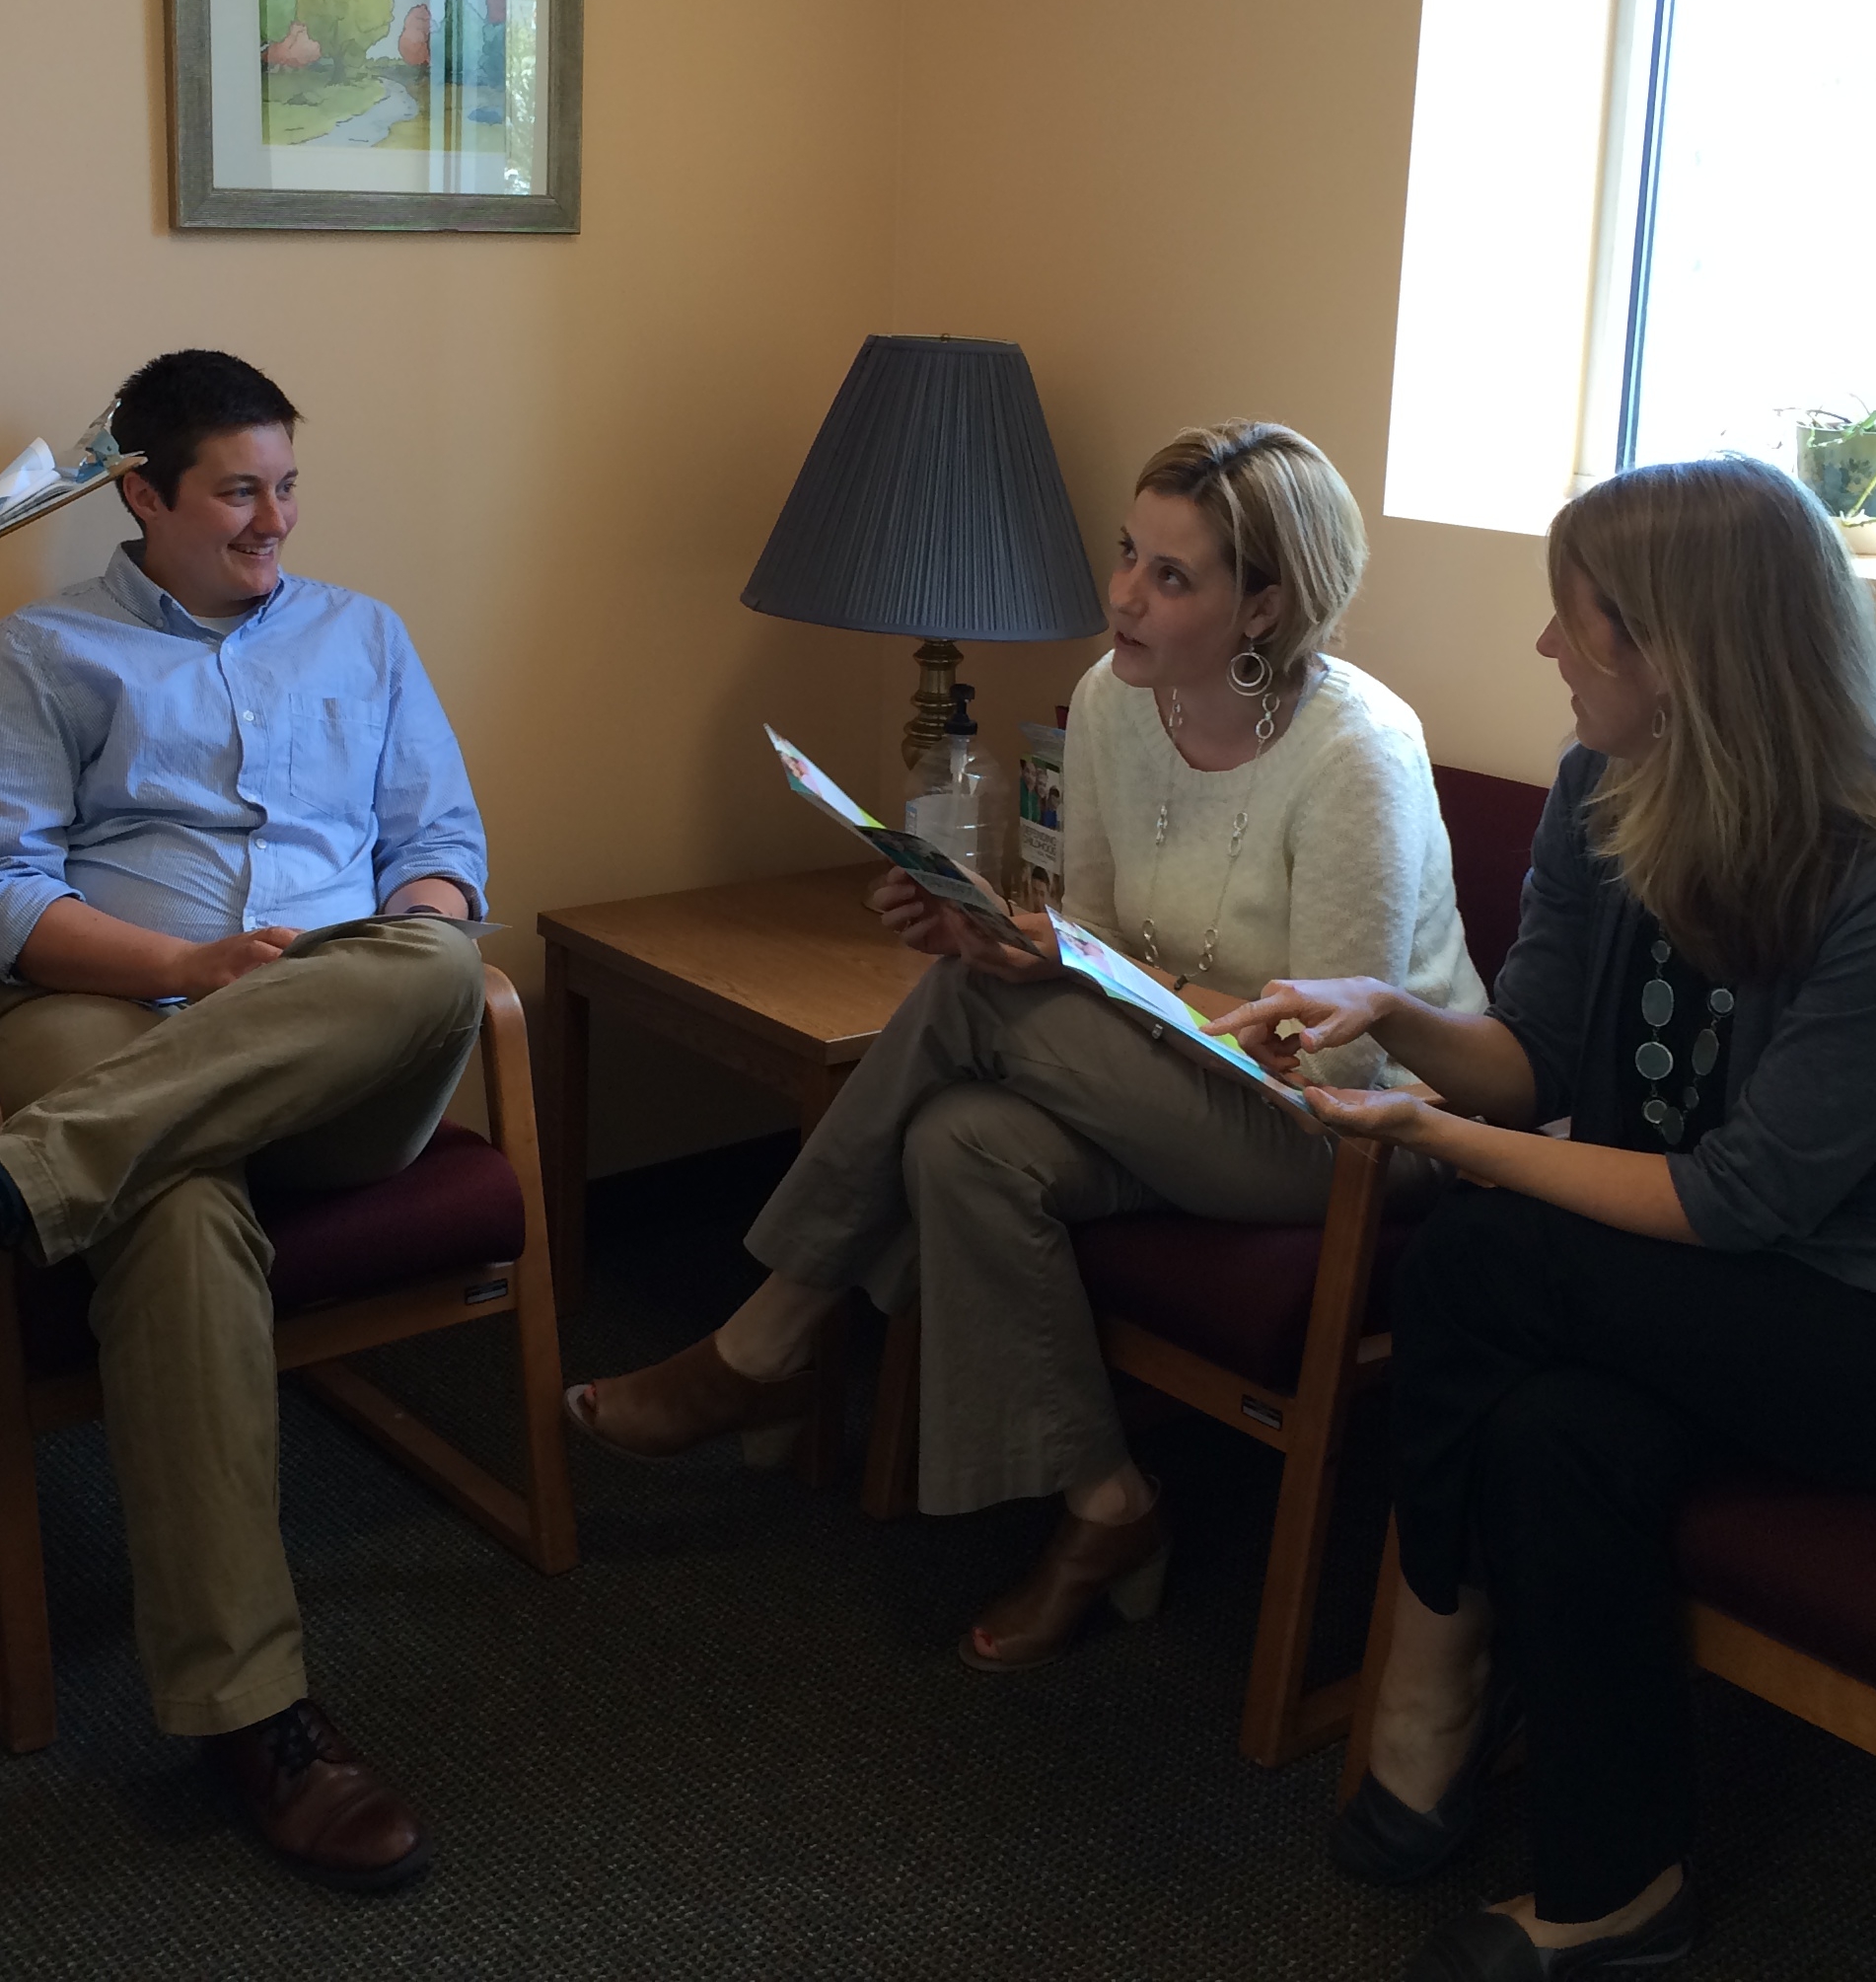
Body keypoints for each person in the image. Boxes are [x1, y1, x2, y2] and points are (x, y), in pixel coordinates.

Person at [1204, 455, 1876, 1981]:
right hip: (1759, 1295)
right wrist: (1393, 1016)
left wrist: (1445, 1143)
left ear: (1681, 654)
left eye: (1578, 625)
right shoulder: (1602, 792)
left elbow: (1742, 1194)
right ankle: (1615, 1892)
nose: (1549, 653)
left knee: (1485, 1252)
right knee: (1551, 1429)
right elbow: (1544, 1060)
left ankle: (1429, 1675)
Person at [568, 421, 1482, 1670]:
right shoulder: (1113, 699)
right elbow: (1098, 939)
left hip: (1346, 1133)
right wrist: (998, 939)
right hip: (1182, 1085)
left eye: (1174, 577)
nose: (1123, 595)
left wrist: (1065, 968)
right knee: (962, 1139)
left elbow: (1331, 1058)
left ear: (1264, 603)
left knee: (968, 1011)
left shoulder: (1354, 755)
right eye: (1127, 554)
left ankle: (769, 1340)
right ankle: (1109, 1506)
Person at [0, 348, 487, 1894]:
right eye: (238, 492)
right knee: (178, 1210)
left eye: (287, 485)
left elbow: (440, 845)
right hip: (97, 1019)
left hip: (331, 1042)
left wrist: (383, 940)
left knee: (439, 963)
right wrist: (187, 966)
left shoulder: (364, 637)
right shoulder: (41, 651)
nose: (276, 522)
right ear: (141, 495)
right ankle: (258, 1716)